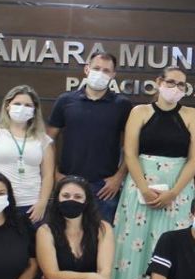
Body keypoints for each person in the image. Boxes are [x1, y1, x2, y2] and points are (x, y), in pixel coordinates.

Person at [111, 66, 195, 279]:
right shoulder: (139, 112)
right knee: (135, 242)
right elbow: (129, 152)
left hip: (178, 188)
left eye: (181, 85)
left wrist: (173, 192)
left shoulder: (192, 115)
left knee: (171, 244)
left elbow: (194, 158)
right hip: (140, 184)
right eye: (171, 82)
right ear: (158, 82)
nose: (175, 88)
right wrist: (143, 188)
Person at [46, 51, 133, 223]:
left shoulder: (122, 105)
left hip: (105, 187)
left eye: (106, 70)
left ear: (113, 75)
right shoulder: (65, 100)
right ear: (87, 69)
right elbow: (48, 140)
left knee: (102, 239)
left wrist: (118, 178)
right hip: (68, 183)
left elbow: (131, 146)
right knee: (62, 237)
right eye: (96, 68)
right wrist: (55, 174)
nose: (100, 73)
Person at [0, 85, 53, 224]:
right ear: (8, 106)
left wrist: (42, 203)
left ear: (34, 110)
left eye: (28, 105)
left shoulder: (43, 139)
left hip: (31, 206)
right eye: (17, 103)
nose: (22, 108)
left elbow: (48, 175)